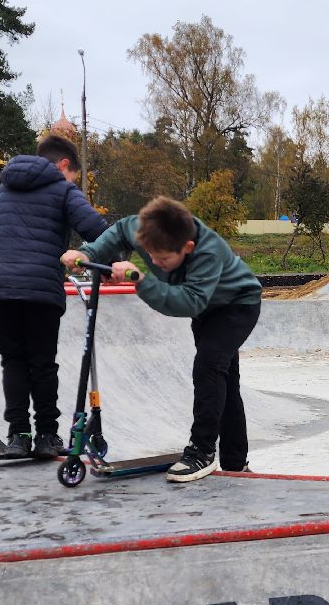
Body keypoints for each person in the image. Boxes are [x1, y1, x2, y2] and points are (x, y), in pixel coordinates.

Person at [61, 195, 262, 483]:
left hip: (237, 305)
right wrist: (88, 253)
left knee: (208, 366)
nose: (156, 263)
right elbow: (118, 232)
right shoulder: (143, 228)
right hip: (208, 309)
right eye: (151, 256)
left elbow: (189, 301)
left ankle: (201, 452)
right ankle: (235, 463)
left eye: (164, 259)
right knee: (224, 380)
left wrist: (140, 281)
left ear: (187, 247)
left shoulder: (208, 251)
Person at [0, 134, 108, 460]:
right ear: (64, 165)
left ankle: (18, 436)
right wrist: (115, 259)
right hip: (38, 289)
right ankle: (47, 436)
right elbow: (94, 228)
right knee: (41, 363)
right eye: (74, 176)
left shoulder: (5, 186)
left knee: (13, 361)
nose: (73, 182)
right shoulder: (62, 187)